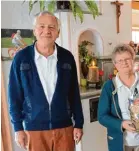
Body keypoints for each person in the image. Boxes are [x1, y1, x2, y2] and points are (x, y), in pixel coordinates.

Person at [8, 11, 84, 151]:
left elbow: (74, 94)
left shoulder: (67, 57)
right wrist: (18, 129)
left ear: (58, 32)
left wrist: (78, 123)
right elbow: (14, 97)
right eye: (41, 26)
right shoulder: (21, 59)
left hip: (64, 128)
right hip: (34, 129)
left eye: (52, 27)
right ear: (34, 31)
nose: (46, 31)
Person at [98, 44, 139, 151]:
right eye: (119, 60)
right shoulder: (109, 87)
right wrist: (122, 124)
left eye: (127, 59)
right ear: (115, 64)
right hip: (120, 142)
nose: (124, 63)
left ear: (133, 60)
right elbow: (102, 116)